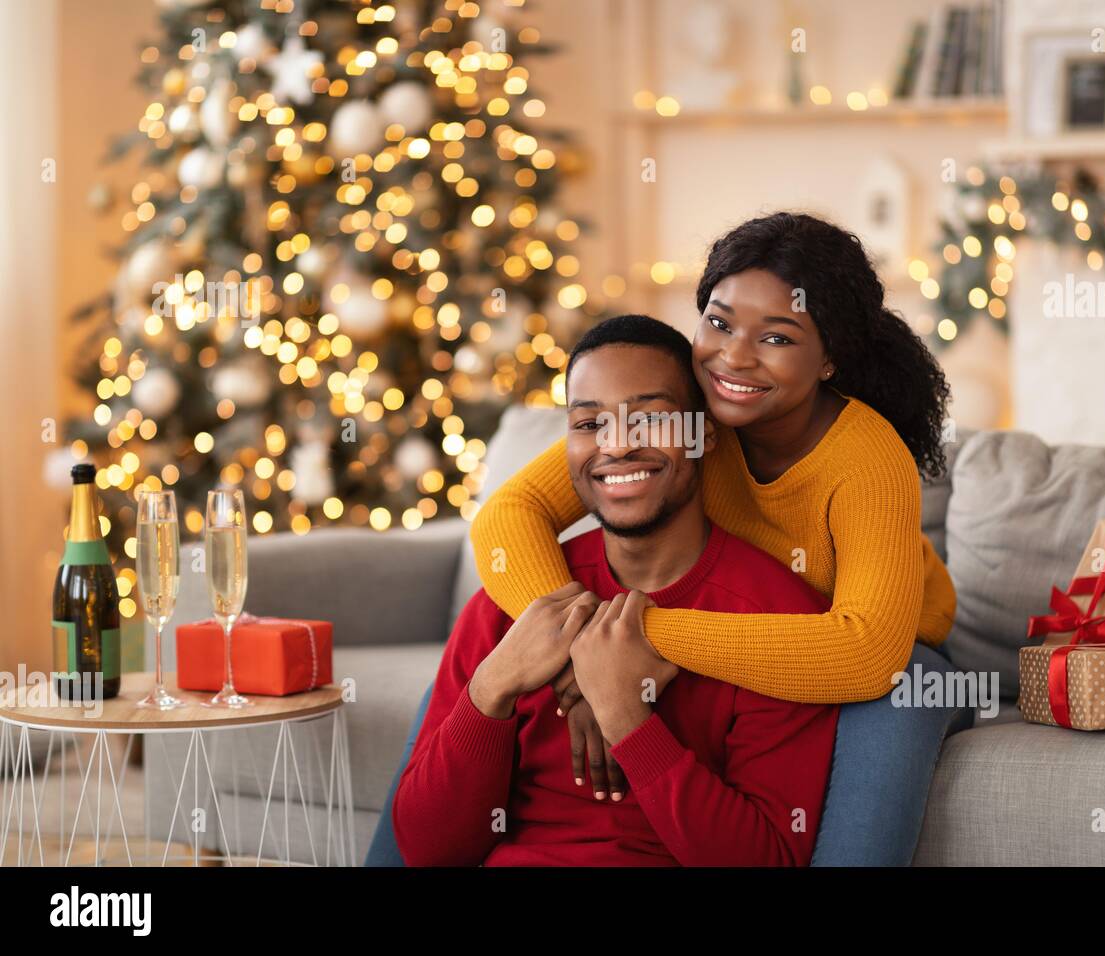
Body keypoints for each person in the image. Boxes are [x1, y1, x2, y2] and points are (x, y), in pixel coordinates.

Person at [366, 212, 969, 867]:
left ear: (829, 358)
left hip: (879, 640)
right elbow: (510, 513)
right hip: (714, 611)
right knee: (484, 672)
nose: (735, 355)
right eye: (719, 321)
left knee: (894, 704)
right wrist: (573, 651)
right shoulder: (691, 407)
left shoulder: (864, 455)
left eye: (777, 336)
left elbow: (862, 653)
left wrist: (627, 650)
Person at [391, 315, 838, 866]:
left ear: (706, 432)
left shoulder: (780, 621)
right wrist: (492, 689)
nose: (617, 446)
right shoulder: (508, 607)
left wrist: (627, 716)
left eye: (650, 417)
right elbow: (424, 852)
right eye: (589, 423)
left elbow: (766, 859)